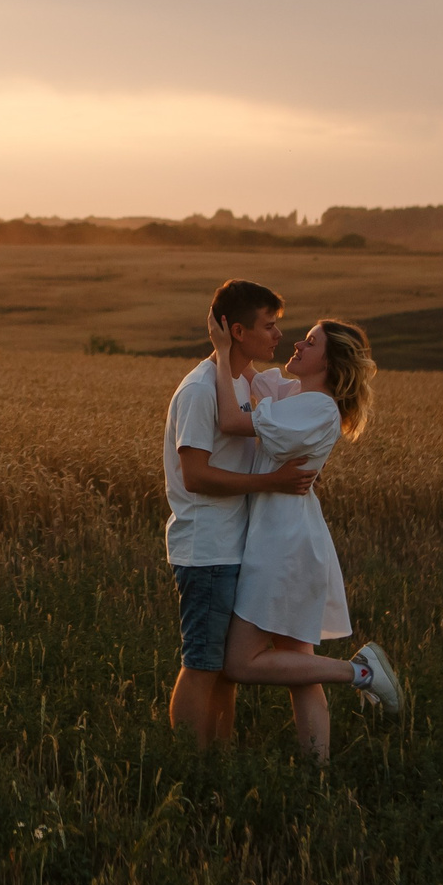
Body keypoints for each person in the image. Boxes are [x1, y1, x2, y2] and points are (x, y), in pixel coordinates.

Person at [205, 313, 405, 760]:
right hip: (285, 536)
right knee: (301, 668)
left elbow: (231, 421)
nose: (297, 344)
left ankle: (360, 673)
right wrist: (232, 338)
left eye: (311, 342)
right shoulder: (295, 396)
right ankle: (317, 778)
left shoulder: (317, 408)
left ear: (329, 363)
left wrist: (221, 352)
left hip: (282, 546)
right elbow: (253, 378)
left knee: (238, 663)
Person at [163, 279, 320, 746]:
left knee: (225, 672)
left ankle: (218, 762)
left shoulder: (238, 382)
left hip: (233, 547)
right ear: (237, 331)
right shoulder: (200, 390)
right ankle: (189, 767)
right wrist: (271, 483)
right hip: (206, 548)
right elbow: (196, 476)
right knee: (201, 666)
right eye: (268, 326)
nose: (278, 335)